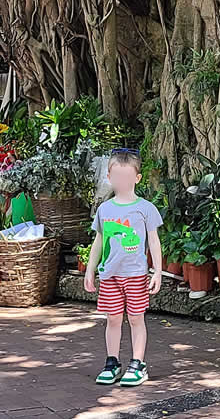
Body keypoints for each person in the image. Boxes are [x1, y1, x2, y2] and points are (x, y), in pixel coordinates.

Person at [84, 148, 163, 387]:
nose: (122, 182)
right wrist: (90, 269)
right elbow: (99, 241)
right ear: (109, 177)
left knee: (137, 318)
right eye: (116, 176)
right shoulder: (104, 210)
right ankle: (112, 362)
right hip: (109, 276)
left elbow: (153, 240)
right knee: (113, 319)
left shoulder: (146, 208)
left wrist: (157, 270)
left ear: (137, 178)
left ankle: (138, 364)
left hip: (136, 275)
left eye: (127, 177)